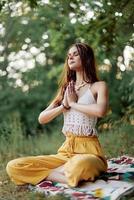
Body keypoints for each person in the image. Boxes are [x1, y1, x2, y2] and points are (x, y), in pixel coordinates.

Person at [6, 43, 109, 188]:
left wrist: (73, 104)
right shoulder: (66, 89)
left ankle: (54, 174)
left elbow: (101, 111)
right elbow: (42, 118)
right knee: (13, 166)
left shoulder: (98, 86)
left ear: (86, 58)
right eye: (68, 56)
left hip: (89, 152)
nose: (70, 57)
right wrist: (63, 106)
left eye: (75, 54)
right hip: (65, 153)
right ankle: (58, 175)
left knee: (81, 165)